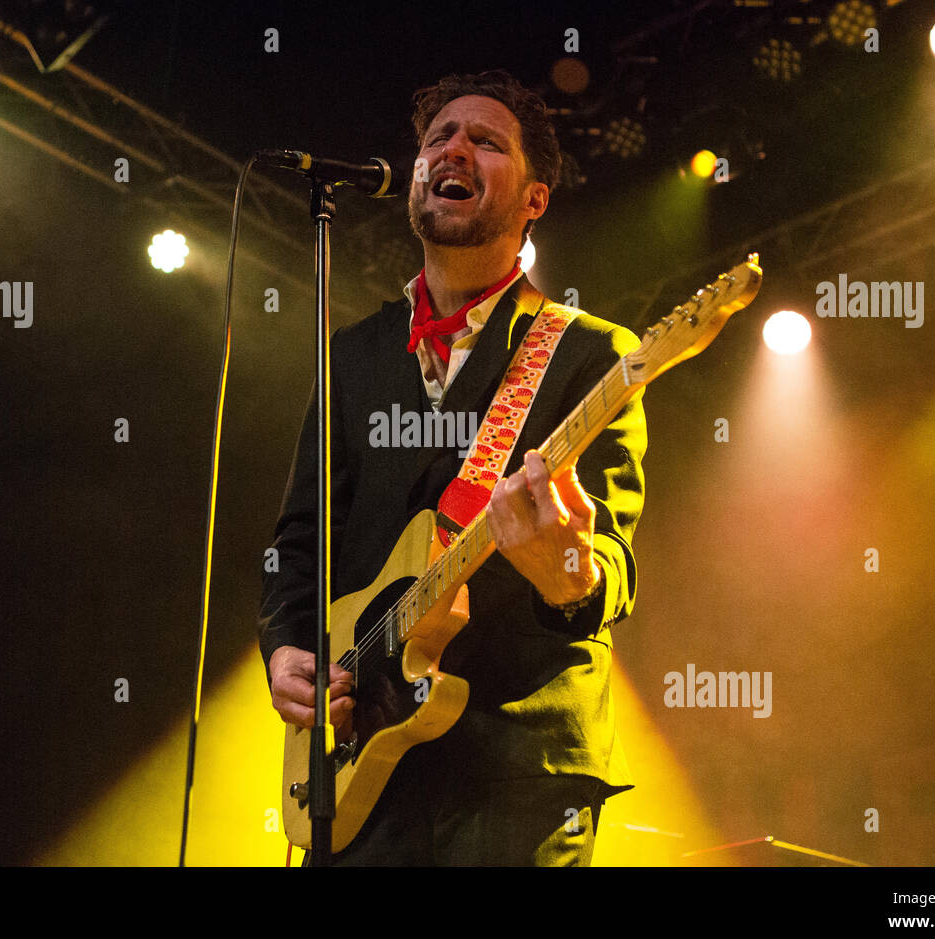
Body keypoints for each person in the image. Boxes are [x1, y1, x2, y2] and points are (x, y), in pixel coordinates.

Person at [258, 70, 646, 865]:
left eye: (485, 141)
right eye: (438, 138)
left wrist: (567, 569)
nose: (453, 149)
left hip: (515, 768)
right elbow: (301, 538)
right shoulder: (353, 355)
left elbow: (610, 562)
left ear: (535, 200)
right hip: (359, 767)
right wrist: (286, 648)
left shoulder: (589, 353)